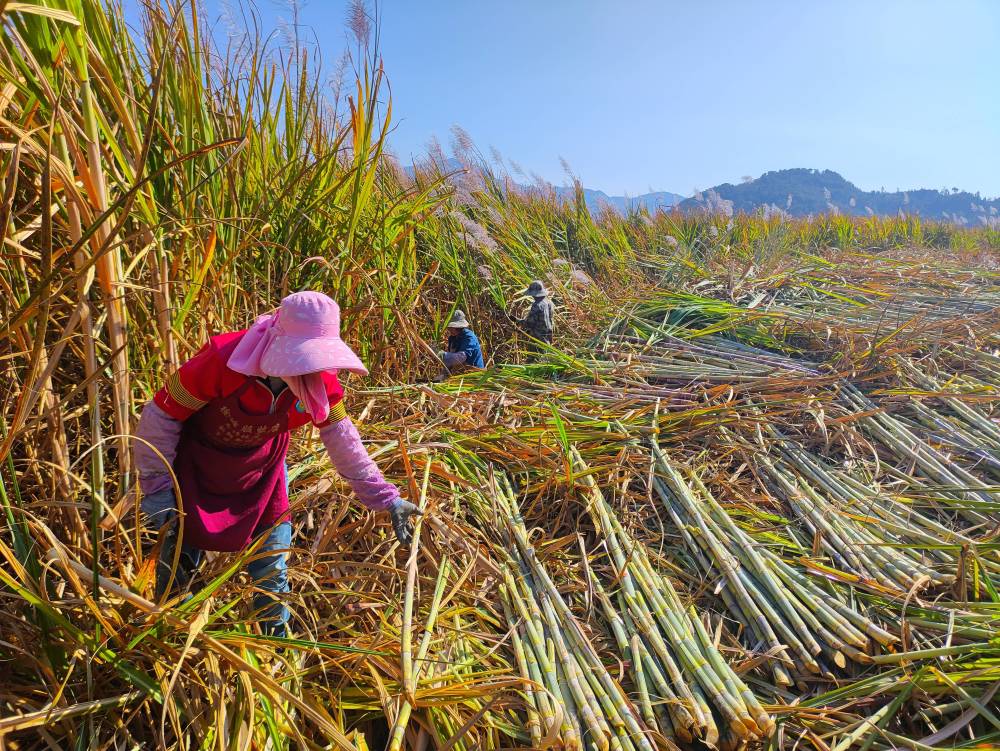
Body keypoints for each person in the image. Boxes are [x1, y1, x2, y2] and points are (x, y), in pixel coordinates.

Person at [133, 291, 422, 637]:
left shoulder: (317, 383)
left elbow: (343, 438)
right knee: (177, 559)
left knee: (272, 564)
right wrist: (158, 488)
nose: (311, 369)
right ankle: (170, 638)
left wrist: (386, 498)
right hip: (196, 471)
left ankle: (276, 647)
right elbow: (161, 417)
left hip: (263, 475)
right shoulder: (221, 360)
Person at [436, 309, 485, 379]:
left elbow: (461, 357)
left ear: (458, 327)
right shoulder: (452, 338)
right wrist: (444, 375)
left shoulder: (469, 337)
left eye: (451, 327)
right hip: (462, 375)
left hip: (475, 375)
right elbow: (451, 361)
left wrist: (442, 355)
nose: (449, 329)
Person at [516, 280, 555, 346]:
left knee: (536, 355)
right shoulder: (549, 302)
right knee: (546, 354)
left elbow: (529, 323)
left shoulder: (537, 305)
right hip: (548, 337)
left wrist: (517, 321)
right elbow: (550, 319)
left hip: (538, 339)